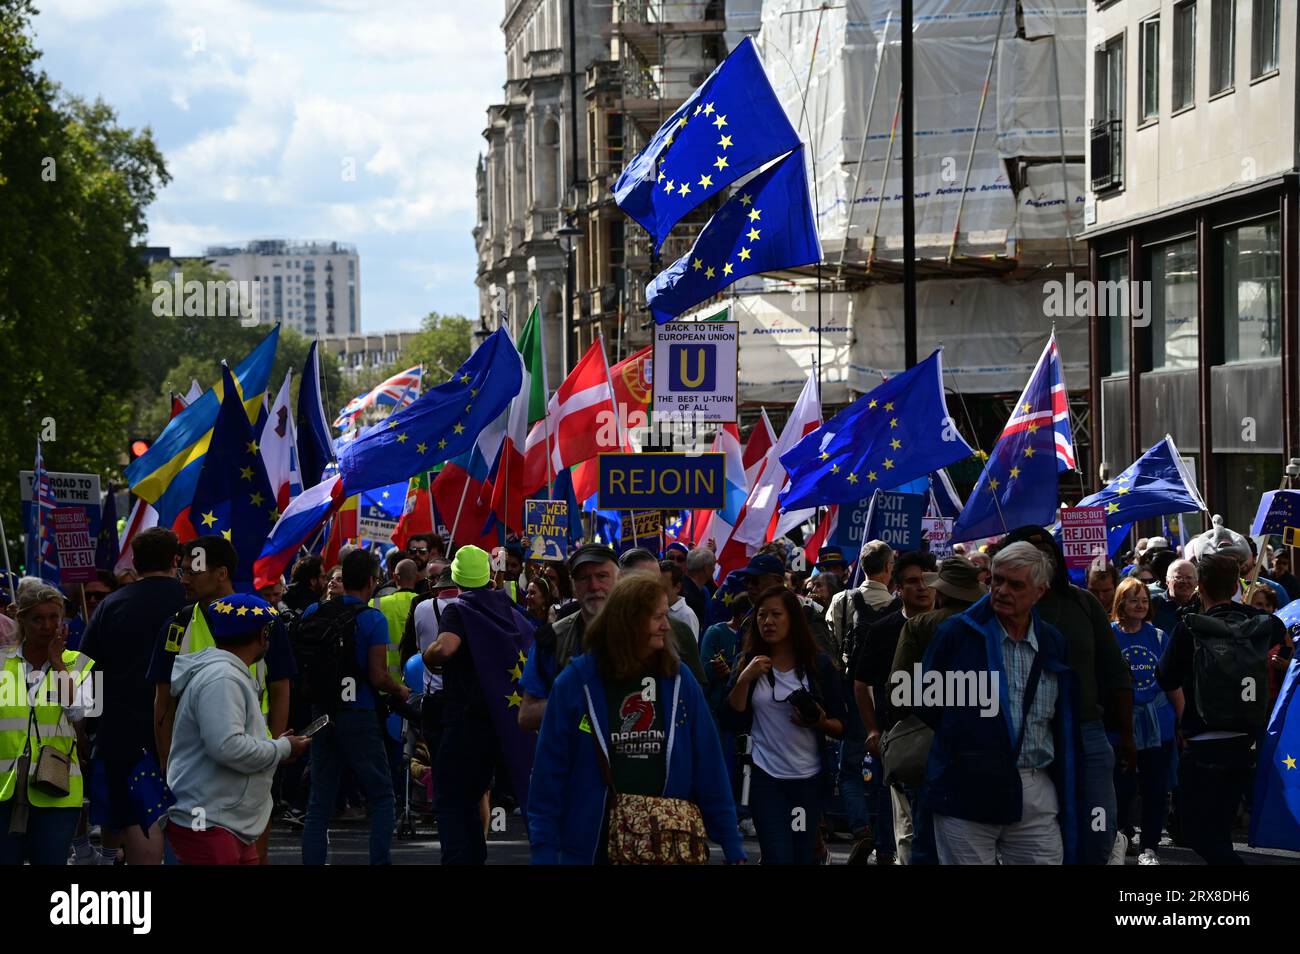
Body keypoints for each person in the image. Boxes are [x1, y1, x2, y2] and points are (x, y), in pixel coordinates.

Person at [527, 573, 745, 864]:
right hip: (592, 849)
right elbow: (548, 773)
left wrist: (732, 843)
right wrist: (543, 850)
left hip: (666, 845)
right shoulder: (575, 682)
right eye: (657, 617)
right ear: (628, 622)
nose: (666, 626)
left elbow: (709, 765)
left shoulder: (680, 679)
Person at [918, 543, 1080, 865]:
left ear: (1040, 592)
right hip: (967, 786)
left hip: (1035, 787)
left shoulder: (1052, 641)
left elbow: (1061, 717)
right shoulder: (956, 634)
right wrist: (970, 746)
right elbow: (927, 701)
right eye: (996, 580)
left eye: (1016, 584)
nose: (1002, 591)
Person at [149, 535, 297, 865]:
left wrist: (272, 750)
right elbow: (163, 698)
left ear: (221, 573)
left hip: (254, 764)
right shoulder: (177, 625)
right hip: (199, 776)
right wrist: (165, 760)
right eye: (182, 571)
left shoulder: (265, 619)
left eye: (193, 571)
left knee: (254, 854)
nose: (184, 579)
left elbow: (280, 686)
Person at [1000, 526, 1135, 865]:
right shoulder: (996, 611)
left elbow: (1114, 671)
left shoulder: (1083, 603)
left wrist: (1128, 735)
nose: (1039, 560)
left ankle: (1108, 844)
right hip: (1027, 738)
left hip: (1086, 730)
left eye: (1045, 553)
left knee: (1097, 823)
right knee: (1043, 836)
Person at [1157, 553, 1285, 864]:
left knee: (1196, 831)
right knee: (1220, 828)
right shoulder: (1257, 625)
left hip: (1202, 742)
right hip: (1245, 740)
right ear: (1236, 586)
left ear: (1200, 585)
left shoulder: (1191, 627)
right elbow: (1280, 631)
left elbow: (1165, 676)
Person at [166, 594, 310, 864]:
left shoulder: (226, 674)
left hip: (225, 821)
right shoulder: (222, 678)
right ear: (263, 633)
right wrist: (281, 747)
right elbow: (227, 746)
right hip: (210, 822)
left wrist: (277, 748)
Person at [79, 528, 184, 866]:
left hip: (124, 733)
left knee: (143, 819)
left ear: (135, 563)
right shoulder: (193, 603)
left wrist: (91, 727)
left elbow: (87, 670)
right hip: (188, 730)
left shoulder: (111, 605)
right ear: (175, 559)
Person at [422, 545, 533, 864]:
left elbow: (445, 649)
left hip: (466, 721)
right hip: (503, 719)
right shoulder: (509, 608)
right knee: (477, 795)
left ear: (455, 578)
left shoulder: (459, 609)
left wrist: (428, 655)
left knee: (453, 800)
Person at [720, 586, 846, 864]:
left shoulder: (819, 666)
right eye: (762, 616)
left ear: (793, 620)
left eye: (776, 614)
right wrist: (744, 679)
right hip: (766, 779)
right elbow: (729, 718)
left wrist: (819, 721)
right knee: (777, 855)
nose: (768, 622)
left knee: (800, 855)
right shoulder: (748, 663)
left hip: (808, 782)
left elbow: (842, 726)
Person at [301, 549, 411, 865]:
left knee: (319, 802)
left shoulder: (313, 611)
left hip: (321, 714)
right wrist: (399, 689)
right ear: (372, 582)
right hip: (359, 714)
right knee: (381, 795)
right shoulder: (372, 619)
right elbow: (378, 676)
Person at [887, 556, 987, 864]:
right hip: (985, 747)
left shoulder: (919, 625)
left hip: (934, 747)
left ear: (941, 592)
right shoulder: (993, 625)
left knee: (926, 842)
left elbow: (898, 692)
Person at [851, 550, 936, 865]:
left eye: (927, 580)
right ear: (897, 587)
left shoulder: (953, 626)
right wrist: (873, 729)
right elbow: (861, 685)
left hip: (944, 740)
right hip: (900, 741)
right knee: (907, 830)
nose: (921, 588)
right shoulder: (883, 629)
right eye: (912, 581)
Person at [0, 585, 95, 865]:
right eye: (37, 619)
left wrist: (58, 664)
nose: (48, 626)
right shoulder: (3, 662)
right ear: (21, 620)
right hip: (5, 787)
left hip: (56, 788)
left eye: (54, 617)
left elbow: (79, 711)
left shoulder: (79, 663)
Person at [1109, 578, 1180, 866]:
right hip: (1121, 727)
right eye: (1133, 600)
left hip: (1158, 725)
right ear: (1120, 603)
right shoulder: (1108, 636)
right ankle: (1120, 837)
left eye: (1144, 600)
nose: (1140, 605)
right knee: (1121, 789)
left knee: (1155, 790)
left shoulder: (1160, 637)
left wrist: (1181, 722)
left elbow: (1174, 684)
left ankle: (1149, 847)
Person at [519, 545, 621, 732]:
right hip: (571, 756)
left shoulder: (644, 632)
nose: (593, 586)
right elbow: (526, 716)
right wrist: (578, 699)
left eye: (602, 576)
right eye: (584, 578)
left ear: (619, 580)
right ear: (573, 586)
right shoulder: (552, 639)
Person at [827, 541, 898, 670]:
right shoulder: (900, 607)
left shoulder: (841, 600)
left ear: (862, 565)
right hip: (885, 682)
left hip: (849, 681)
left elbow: (831, 644)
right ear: (888, 566)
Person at [1152, 558, 1199, 634]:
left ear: (1197, 582)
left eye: (1189, 577)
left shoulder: (1202, 607)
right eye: (1178, 577)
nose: (1184, 581)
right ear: (1167, 581)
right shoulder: (1153, 605)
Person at [659, 559, 700, 638]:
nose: (658, 593)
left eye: (664, 589)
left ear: (678, 587)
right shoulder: (654, 609)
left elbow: (690, 648)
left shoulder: (687, 616)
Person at [683, 547, 717, 627]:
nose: (714, 569)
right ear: (706, 568)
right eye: (713, 565)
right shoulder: (690, 599)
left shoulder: (682, 585)